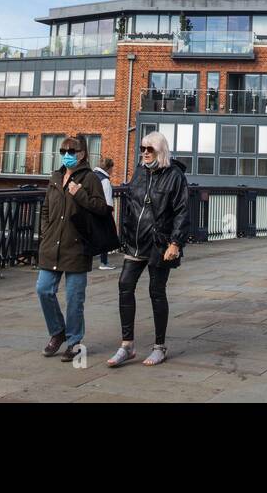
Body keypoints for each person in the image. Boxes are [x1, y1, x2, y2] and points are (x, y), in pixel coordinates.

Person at [107, 132, 189, 368]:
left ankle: (159, 347)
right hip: (135, 241)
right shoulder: (140, 171)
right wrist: (124, 230)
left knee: (156, 291)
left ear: (160, 151)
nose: (144, 152)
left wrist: (175, 243)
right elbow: (133, 204)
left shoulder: (175, 176)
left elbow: (182, 211)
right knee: (125, 285)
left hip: (160, 244)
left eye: (149, 149)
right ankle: (127, 345)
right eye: (142, 148)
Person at [37, 135, 109, 363]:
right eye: (63, 150)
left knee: (74, 298)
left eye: (72, 150)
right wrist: (45, 233)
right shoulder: (55, 177)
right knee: (43, 289)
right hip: (52, 245)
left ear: (83, 154)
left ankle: (74, 341)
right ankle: (57, 331)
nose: (67, 154)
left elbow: (101, 209)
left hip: (77, 247)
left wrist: (80, 194)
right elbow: (47, 208)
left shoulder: (91, 179)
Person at [93, 158, 117, 270]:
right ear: (109, 168)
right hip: (102, 212)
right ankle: (104, 262)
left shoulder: (92, 176)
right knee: (106, 236)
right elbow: (107, 201)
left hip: (91, 209)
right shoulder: (105, 181)